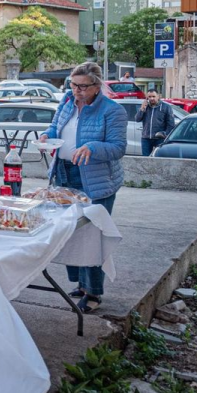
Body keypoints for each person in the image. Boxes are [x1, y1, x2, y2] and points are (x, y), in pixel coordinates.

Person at [39, 61, 127, 314]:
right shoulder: (67, 102)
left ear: (97, 86)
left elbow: (118, 147)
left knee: (92, 235)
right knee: (71, 232)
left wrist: (93, 147)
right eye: (73, 84)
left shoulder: (112, 110)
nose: (77, 90)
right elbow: (56, 128)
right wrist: (47, 135)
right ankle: (81, 283)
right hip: (63, 173)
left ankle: (93, 293)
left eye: (83, 87)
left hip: (95, 178)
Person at [136, 90, 176, 156]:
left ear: (158, 97)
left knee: (160, 158)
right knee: (145, 159)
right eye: (149, 97)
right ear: (147, 98)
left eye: (153, 96)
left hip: (160, 139)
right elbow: (137, 119)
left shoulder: (166, 107)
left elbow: (171, 124)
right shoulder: (145, 107)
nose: (152, 98)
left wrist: (164, 133)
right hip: (146, 138)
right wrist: (142, 109)